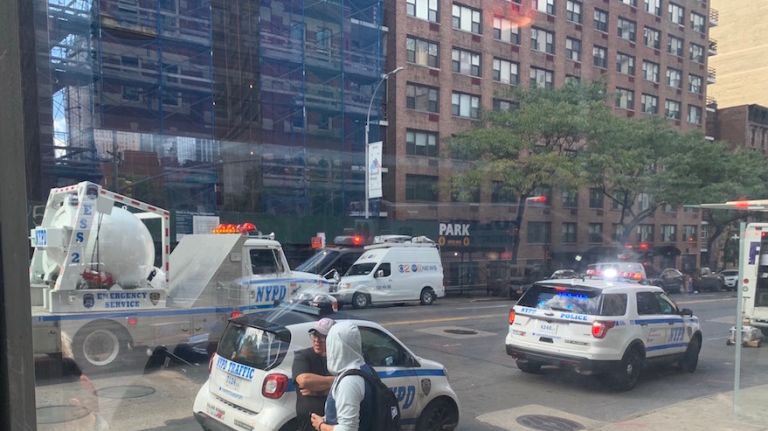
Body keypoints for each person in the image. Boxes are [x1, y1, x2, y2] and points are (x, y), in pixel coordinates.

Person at [310, 322, 374, 431]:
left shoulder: (349, 382)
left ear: (336, 345)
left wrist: (320, 426)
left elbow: (347, 429)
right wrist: (326, 418)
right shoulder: (363, 368)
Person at [293, 318, 336, 431]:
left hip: (332, 423)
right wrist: (337, 381)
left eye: (322, 336)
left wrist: (317, 391)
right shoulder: (303, 356)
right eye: (314, 335)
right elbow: (304, 380)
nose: (317, 340)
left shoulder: (338, 359)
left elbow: (345, 390)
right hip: (309, 424)